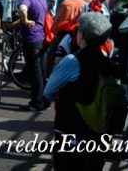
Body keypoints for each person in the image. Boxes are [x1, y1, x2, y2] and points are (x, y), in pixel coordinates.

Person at [44, 12, 118, 170]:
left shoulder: (73, 61)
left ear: (82, 35)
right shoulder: (107, 60)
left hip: (70, 130)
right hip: (98, 133)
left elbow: (47, 91)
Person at [16, 0, 49, 111]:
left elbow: (23, 9)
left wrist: (25, 20)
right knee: (42, 71)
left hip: (31, 38)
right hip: (42, 36)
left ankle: (36, 103)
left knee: (34, 73)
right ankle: (44, 100)